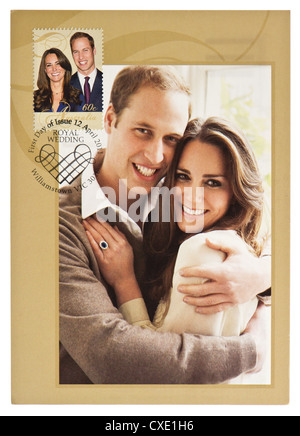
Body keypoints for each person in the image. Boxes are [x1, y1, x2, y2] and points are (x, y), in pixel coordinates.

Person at [59, 66, 270, 385]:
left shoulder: (178, 199)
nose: (156, 156)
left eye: (171, 138)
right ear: (110, 119)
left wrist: (262, 275)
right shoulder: (60, 225)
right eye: (142, 130)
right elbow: (114, 358)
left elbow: (258, 226)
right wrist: (254, 350)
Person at [34, 48, 81, 112]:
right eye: (49, 65)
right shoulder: (35, 98)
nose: (54, 69)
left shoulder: (78, 96)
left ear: (65, 66)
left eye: (57, 64)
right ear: (45, 70)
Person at [69, 32, 103, 112]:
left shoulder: (107, 81)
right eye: (76, 52)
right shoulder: (65, 85)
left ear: (94, 51)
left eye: (85, 50)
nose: (81, 57)